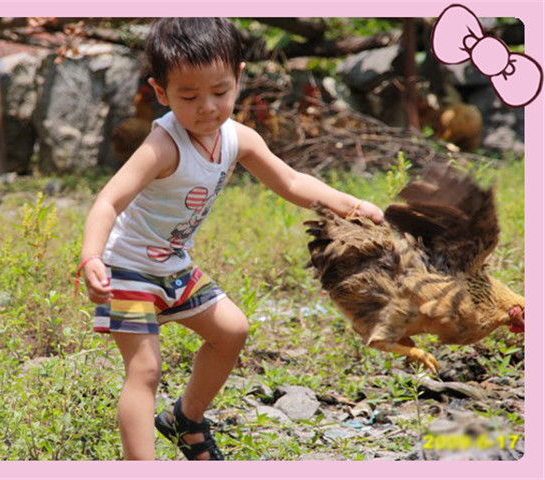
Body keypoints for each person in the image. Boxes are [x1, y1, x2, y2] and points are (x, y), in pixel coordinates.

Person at [77, 17, 384, 461]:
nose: (206, 107)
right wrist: (91, 258)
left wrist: (350, 206)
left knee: (232, 330)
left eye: (220, 92)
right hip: (126, 266)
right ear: (161, 93)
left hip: (173, 265)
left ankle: (186, 418)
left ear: (239, 78)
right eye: (188, 96)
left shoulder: (237, 138)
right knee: (144, 370)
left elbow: (293, 182)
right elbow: (108, 201)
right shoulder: (163, 145)